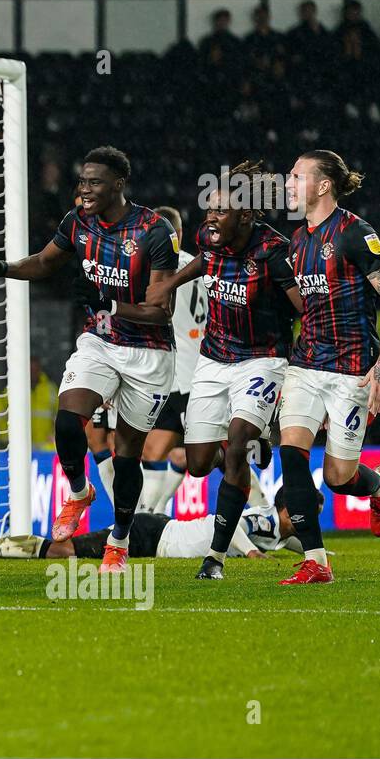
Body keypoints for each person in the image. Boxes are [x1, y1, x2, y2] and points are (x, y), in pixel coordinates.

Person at [0, 146, 179, 574]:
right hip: (99, 342)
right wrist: (3, 268)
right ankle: (80, 491)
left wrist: (114, 305)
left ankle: (118, 542)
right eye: (82, 181)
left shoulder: (155, 231)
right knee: (68, 420)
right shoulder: (77, 222)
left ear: (118, 185)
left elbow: (162, 309)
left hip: (149, 355)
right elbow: (45, 262)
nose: (84, 189)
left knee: (126, 456)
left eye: (95, 182)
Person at [147, 162, 303, 581]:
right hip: (213, 359)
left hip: (262, 358)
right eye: (209, 209)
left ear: (247, 216)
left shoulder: (273, 251)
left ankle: (214, 557)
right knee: (198, 463)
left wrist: (310, 357)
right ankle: (246, 447)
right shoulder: (208, 238)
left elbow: (304, 307)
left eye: (220, 210)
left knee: (235, 443)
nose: (210, 216)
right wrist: (170, 283)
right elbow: (204, 260)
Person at [275, 150, 380, 584]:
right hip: (306, 365)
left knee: (337, 477)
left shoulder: (354, 233)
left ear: (324, 185)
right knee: (292, 453)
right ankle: (317, 561)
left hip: (351, 370)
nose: (289, 183)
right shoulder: (296, 241)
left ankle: (379, 486)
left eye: (297, 176)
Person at [0, 487, 319, 562]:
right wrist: (250, 552)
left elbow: (300, 545)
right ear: (286, 509)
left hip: (159, 537)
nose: (307, 522)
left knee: (65, 553)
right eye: (304, 514)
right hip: (154, 535)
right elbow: (232, 520)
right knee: (63, 551)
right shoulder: (266, 520)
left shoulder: (283, 534)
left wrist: (319, 553)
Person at [137, 205, 205, 514]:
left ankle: (263, 516)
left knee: (213, 456)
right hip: (178, 372)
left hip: (185, 376)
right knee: (156, 450)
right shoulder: (196, 264)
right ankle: (151, 516)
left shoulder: (166, 268)